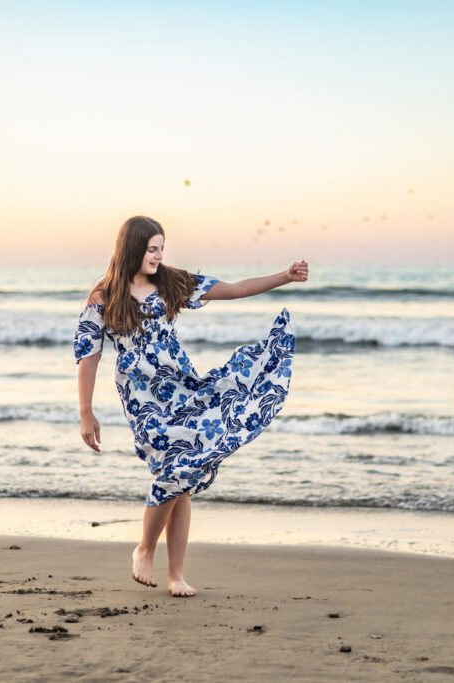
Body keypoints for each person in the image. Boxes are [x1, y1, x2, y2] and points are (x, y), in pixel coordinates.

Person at [74, 215, 308, 597]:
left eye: (162, 248)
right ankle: (145, 550)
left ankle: (175, 574)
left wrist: (283, 277)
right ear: (132, 247)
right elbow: (89, 355)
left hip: (182, 389)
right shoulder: (104, 297)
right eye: (152, 248)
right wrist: (86, 411)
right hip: (141, 398)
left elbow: (231, 289)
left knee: (185, 472)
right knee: (173, 470)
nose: (159, 255)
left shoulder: (170, 283)